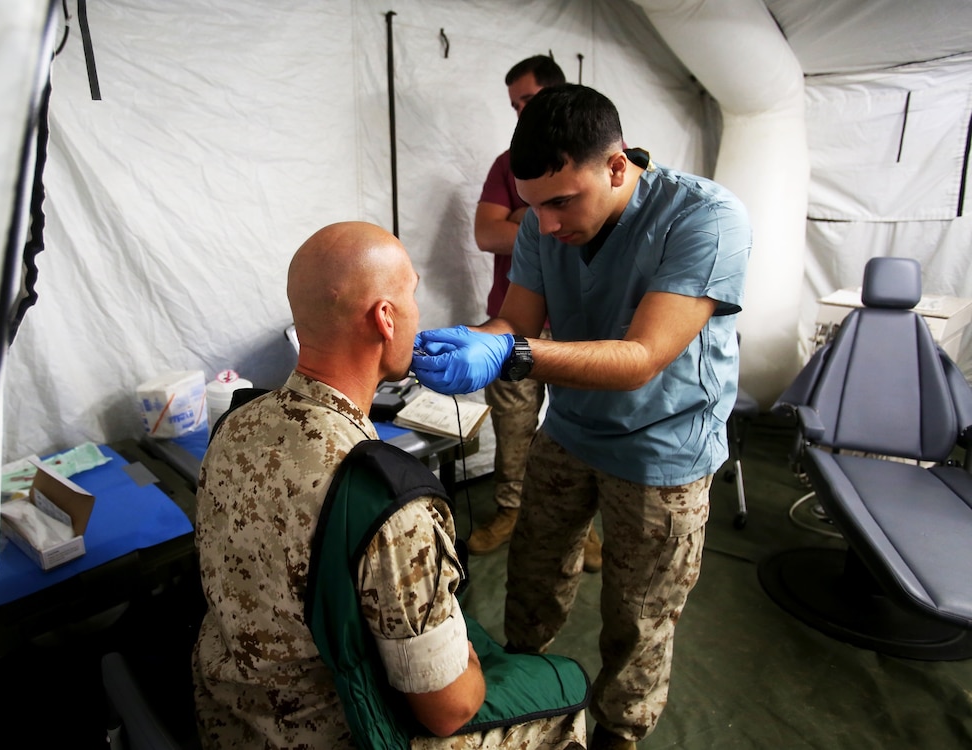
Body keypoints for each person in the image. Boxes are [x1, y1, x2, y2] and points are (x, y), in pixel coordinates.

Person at [412, 85, 751, 750]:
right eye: (535, 208)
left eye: (564, 201)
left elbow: (642, 357)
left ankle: (618, 736)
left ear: (618, 166)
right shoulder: (544, 219)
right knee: (533, 571)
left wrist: (510, 352)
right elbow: (519, 320)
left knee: (638, 616)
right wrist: (480, 339)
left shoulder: (705, 218)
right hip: (569, 432)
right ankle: (520, 691)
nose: (550, 224)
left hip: (664, 448)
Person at [192, 221, 587, 749]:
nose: (418, 313)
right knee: (561, 694)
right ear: (384, 317)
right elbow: (449, 709)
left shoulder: (233, 425)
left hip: (226, 719)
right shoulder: (389, 505)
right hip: (336, 735)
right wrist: (465, 652)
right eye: (412, 294)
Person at [471, 55, 603, 573]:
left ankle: (583, 528)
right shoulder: (509, 164)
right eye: (514, 105)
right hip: (515, 313)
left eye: (526, 100)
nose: (519, 112)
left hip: (575, 328)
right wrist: (534, 222)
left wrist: (525, 217)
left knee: (581, 427)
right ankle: (510, 510)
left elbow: (640, 358)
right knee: (514, 424)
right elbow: (486, 234)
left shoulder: (596, 161)